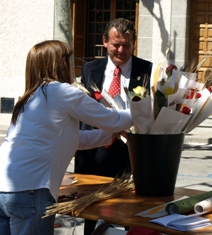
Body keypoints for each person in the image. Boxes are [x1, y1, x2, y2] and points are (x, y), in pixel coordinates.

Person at [0, 40, 133, 235]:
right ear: (59, 65)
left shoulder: (28, 97)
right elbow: (113, 119)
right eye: (68, 61)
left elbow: (73, 139)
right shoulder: (62, 91)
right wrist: (147, 111)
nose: (72, 67)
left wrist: (108, 136)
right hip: (29, 190)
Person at [74, 18, 153, 234]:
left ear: (133, 43)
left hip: (129, 152)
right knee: (90, 213)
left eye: (126, 45)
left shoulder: (146, 70)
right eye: (115, 44)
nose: (121, 50)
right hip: (94, 151)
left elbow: (148, 112)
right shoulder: (91, 69)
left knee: (131, 213)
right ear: (105, 42)